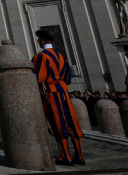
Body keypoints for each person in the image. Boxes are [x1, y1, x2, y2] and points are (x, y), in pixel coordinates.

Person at [33, 29, 84, 166]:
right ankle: (79, 155)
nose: (38, 43)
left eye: (39, 41)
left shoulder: (41, 57)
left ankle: (65, 155)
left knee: (58, 122)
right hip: (64, 91)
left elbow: (38, 77)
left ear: (42, 41)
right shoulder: (62, 57)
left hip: (51, 92)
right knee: (71, 121)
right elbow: (67, 79)